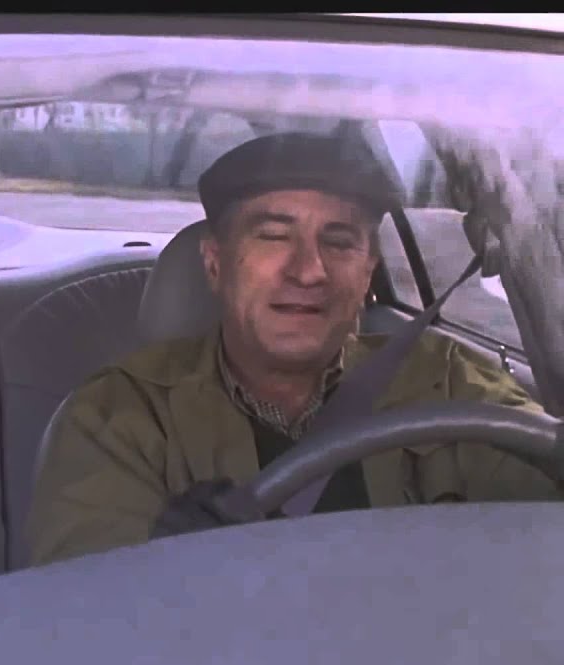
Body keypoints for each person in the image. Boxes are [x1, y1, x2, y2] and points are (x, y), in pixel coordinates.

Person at [27, 132, 563, 567]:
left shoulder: (447, 382)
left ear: (368, 271)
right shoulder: (121, 418)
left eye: (339, 241)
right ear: (215, 263)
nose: (309, 271)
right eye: (273, 236)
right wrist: (158, 565)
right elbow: (83, 623)